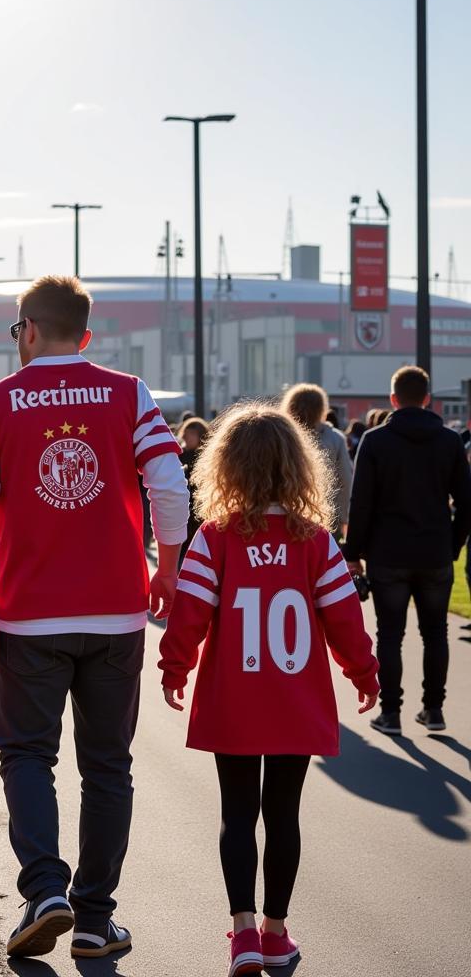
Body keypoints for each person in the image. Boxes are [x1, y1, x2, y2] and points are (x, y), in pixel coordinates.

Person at [0, 275, 189, 959]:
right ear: (84, 336)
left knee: (27, 754)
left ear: (27, 328)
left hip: (30, 614)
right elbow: (169, 484)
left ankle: (45, 887)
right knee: (108, 765)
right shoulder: (130, 393)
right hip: (116, 611)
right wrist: (166, 567)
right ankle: (93, 917)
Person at [157, 403, 379, 977]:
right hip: (295, 699)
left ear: (225, 467)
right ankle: (277, 933)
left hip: (234, 695)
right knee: (284, 815)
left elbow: (190, 614)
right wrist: (363, 673)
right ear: (298, 468)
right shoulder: (315, 541)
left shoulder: (214, 538)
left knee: (237, 814)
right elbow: (344, 618)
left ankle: (242, 933)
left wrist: (174, 667)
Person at [345, 366, 471, 735]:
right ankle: (434, 709)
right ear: (428, 399)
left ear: (393, 399)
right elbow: (466, 501)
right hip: (433, 548)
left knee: (390, 634)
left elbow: (361, 502)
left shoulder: (376, 440)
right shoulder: (449, 441)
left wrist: (354, 552)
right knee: (436, 633)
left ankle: (392, 712)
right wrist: (453, 543)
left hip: (388, 551)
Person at [281, 384, 352, 542]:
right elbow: (345, 481)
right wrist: (343, 518)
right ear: (322, 409)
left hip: (285, 515)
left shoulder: (282, 436)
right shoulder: (335, 439)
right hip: (326, 516)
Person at [178, 416, 210, 560]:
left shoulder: (207, 456)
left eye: (191, 435)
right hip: (182, 507)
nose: (187, 439)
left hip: (201, 507)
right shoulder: (180, 455)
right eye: (186, 435)